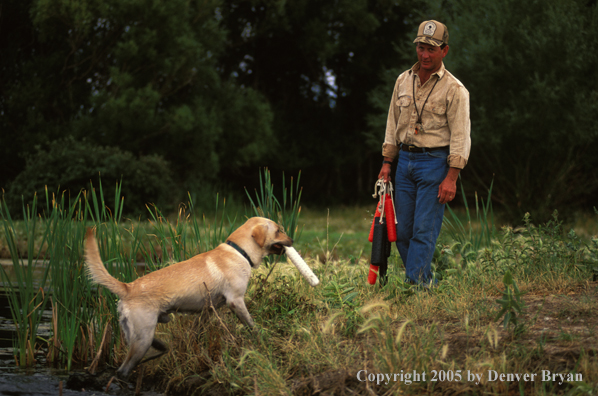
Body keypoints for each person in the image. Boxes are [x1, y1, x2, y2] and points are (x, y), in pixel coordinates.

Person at [377, 20, 471, 286]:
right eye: (421, 47)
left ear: (445, 50)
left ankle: (415, 287)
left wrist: (451, 177)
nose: (425, 55)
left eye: (431, 48)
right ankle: (425, 281)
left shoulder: (455, 89)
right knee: (403, 232)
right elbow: (391, 123)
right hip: (404, 161)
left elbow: (461, 137)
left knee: (423, 231)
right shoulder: (402, 80)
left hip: (435, 163)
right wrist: (387, 162)